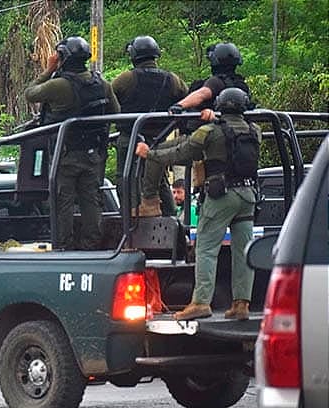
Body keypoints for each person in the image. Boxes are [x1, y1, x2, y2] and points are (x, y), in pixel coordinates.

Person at [136, 88, 258, 321]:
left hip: (221, 196)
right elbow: (232, 130)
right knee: (242, 252)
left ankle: (201, 302)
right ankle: (241, 304)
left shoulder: (210, 132)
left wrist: (149, 155)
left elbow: (182, 152)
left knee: (206, 248)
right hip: (248, 195)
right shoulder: (255, 131)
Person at [24, 36, 120, 250]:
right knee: (92, 200)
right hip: (94, 154)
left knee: (62, 201)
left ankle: (63, 246)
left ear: (63, 58)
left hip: (65, 155)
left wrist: (49, 69)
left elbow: (30, 93)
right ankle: (91, 245)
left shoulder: (59, 85)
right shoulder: (102, 84)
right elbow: (116, 113)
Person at [111, 35, 189, 215]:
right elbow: (187, 99)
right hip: (158, 140)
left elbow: (109, 98)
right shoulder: (172, 80)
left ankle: (129, 221)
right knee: (159, 181)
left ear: (133, 56)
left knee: (126, 179)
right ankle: (171, 220)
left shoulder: (126, 79)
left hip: (129, 139)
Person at [171, 42, 251, 115]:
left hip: (211, 127)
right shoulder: (241, 85)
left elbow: (201, 94)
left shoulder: (215, 82)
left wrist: (178, 106)